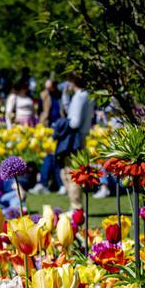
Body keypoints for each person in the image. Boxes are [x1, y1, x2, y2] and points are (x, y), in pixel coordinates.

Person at [59, 72, 94, 209]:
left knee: (72, 172)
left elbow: (75, 122)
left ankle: (76, 207)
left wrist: (62, 124)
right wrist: (65, 95)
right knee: (73, 172)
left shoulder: (80, 97)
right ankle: (75, 206)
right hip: (81, 137)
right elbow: (70, 110)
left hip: (75, 139)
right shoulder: (86, 96)